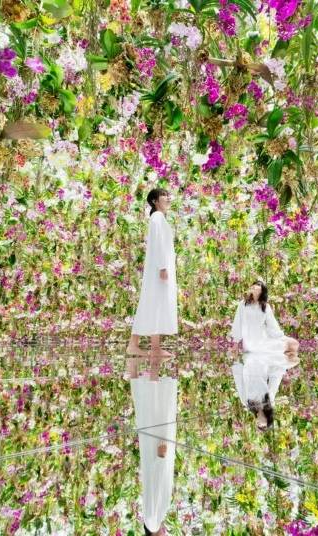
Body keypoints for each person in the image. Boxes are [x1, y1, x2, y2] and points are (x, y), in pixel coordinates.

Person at [127, 188, 178, 358]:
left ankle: (153, 347)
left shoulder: (159, 218)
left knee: (155, 305)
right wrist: (163, 267)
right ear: (155, 201)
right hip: (159, 269)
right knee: (152, 304)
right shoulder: (157, 218)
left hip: (159, 269)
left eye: (167, 195)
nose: (168, 198)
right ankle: (135, 345)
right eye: (164, 196)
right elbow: (158, 244)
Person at [130, 373, 178, 535]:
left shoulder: (153, 523)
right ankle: (149, 371)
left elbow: (155, 488)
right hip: (160, 459)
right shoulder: (153, 522)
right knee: (156, 418)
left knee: (156, 418)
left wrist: (160, 458)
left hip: (159, 456)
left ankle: (155, 369)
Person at [230, 280, 299, 359]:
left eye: (257, 285)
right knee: (261, 351)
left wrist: (280, 336)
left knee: (293, 344)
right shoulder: (243, 304)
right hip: (249, 341)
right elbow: (237, 322)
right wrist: (235, 342)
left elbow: (272, 325)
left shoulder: (265, 306)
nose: (254, 286)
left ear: (261, 291)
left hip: (263, 338)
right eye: (253, 285)